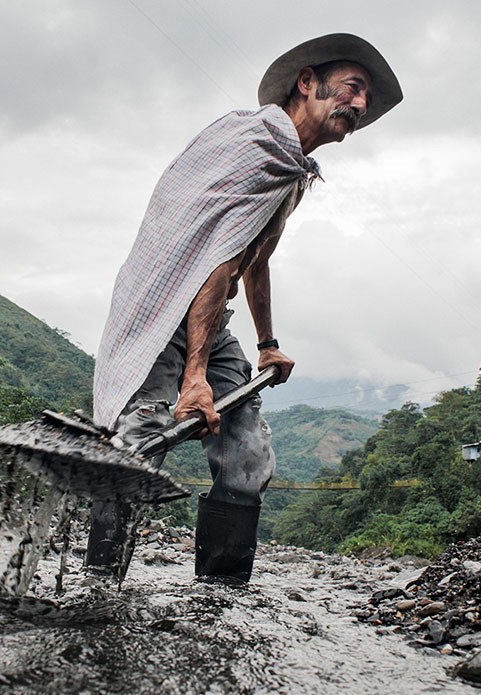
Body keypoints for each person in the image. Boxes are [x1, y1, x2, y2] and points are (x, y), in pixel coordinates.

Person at [90, 33, 402, 583]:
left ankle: (222, 590)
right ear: (306, 82)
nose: (358, 104)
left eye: (366, 101)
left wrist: (267, 344)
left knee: (248, 453)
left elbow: (254, 261)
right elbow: (216, 254)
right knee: (142, 438)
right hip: (163, 312)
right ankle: (98, 587)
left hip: (212, 318)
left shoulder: (291, 170)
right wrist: (194, 378)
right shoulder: (252, 142)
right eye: (352, 88)